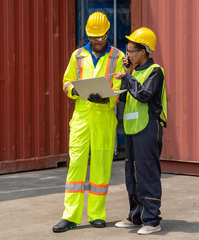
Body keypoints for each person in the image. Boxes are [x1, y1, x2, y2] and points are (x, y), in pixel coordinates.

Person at [52, 12, 125, 233]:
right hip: (82, 118)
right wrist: (76, 90)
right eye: (93, 37)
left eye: (100, 37)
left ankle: (96, 215)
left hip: (104, 117)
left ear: (107, 33)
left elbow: (121, 87)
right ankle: (70, 216)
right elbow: (66, 83)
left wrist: (108, 97)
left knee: (101, 166)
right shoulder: (77, 56)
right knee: (75, 165)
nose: (96, 41)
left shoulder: (118, 56)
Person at [111, 27, 167, 235]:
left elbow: (143, 95)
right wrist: (122, 82)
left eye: (132, 51)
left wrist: (127, 77)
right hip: (133, 128)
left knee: (147, 173)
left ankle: (152, 219)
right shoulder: (135, 72)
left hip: (149, 127)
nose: (128, 55)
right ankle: (136, 215)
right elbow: (128, 97)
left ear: (144, 50)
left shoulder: (155, 71)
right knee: (132, 174)